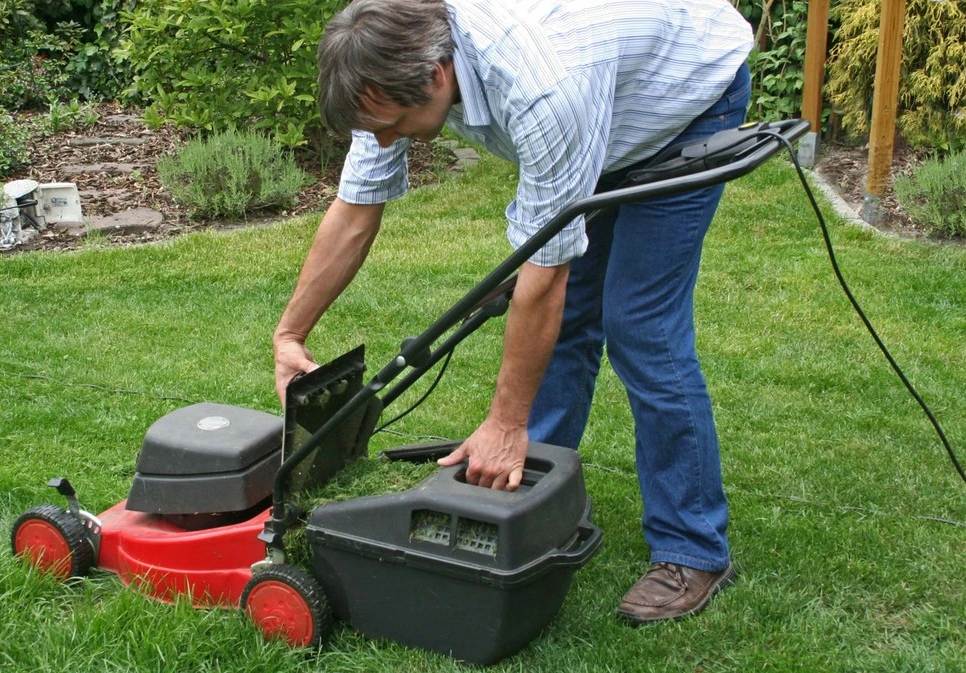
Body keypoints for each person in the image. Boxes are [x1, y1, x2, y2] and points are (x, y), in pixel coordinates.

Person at [272, 0, 753, 624]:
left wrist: (504, 421)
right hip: (600, 94)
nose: (386, 140)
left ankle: (692, 547)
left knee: (641, 326)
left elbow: (545, 280)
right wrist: (291, 333)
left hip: (683, 95)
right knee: (568, 321)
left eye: (392, 126)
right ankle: (533, 502)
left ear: (437, 76)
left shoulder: (540, 85)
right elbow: (356, 211)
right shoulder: (391, 67)